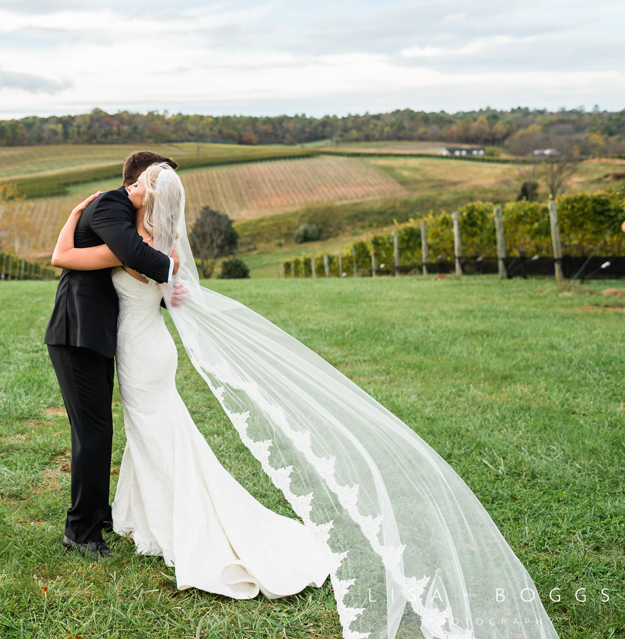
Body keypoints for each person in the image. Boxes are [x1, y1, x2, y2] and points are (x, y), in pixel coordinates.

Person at [51, 163, 562, 638]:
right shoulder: (160, 245)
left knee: (157, 434)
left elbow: (63, 258)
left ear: (151, 197)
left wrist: (76, 215)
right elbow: (166, 288)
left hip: (143, 356)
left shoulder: (133, 247)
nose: (130, 189)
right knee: (158, 433)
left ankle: (174, 524)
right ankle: (146, 516)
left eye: (140, 185)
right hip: (150, 350)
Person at [44, 151, 188, 559]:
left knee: (98, 430)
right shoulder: (111, 206)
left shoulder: (131, 225)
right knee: (93, 432)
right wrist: (171, 268)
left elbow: (129, 268)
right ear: (141, 181)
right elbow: (130, 256)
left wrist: (167, 281)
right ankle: (81, 531)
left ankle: (96, 512)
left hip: (102, 335)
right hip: (77, 332)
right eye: (154, 182)